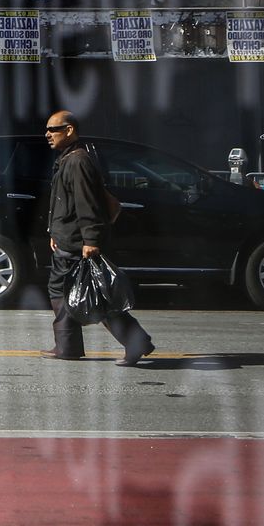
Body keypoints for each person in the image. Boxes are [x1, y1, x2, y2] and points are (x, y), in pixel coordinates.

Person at [41, 110, 154, 366]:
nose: (47, 134)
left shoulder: (78, 161)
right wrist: (54, 232)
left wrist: (91, 240)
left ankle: (131, 342)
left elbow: (86, 204)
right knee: (71, 292)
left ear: (69, 130)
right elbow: (62, 204)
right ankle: (67, 346)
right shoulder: (68, 158)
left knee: (93, 296)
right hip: (68, 240)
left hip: (79, 244)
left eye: (53, 129)